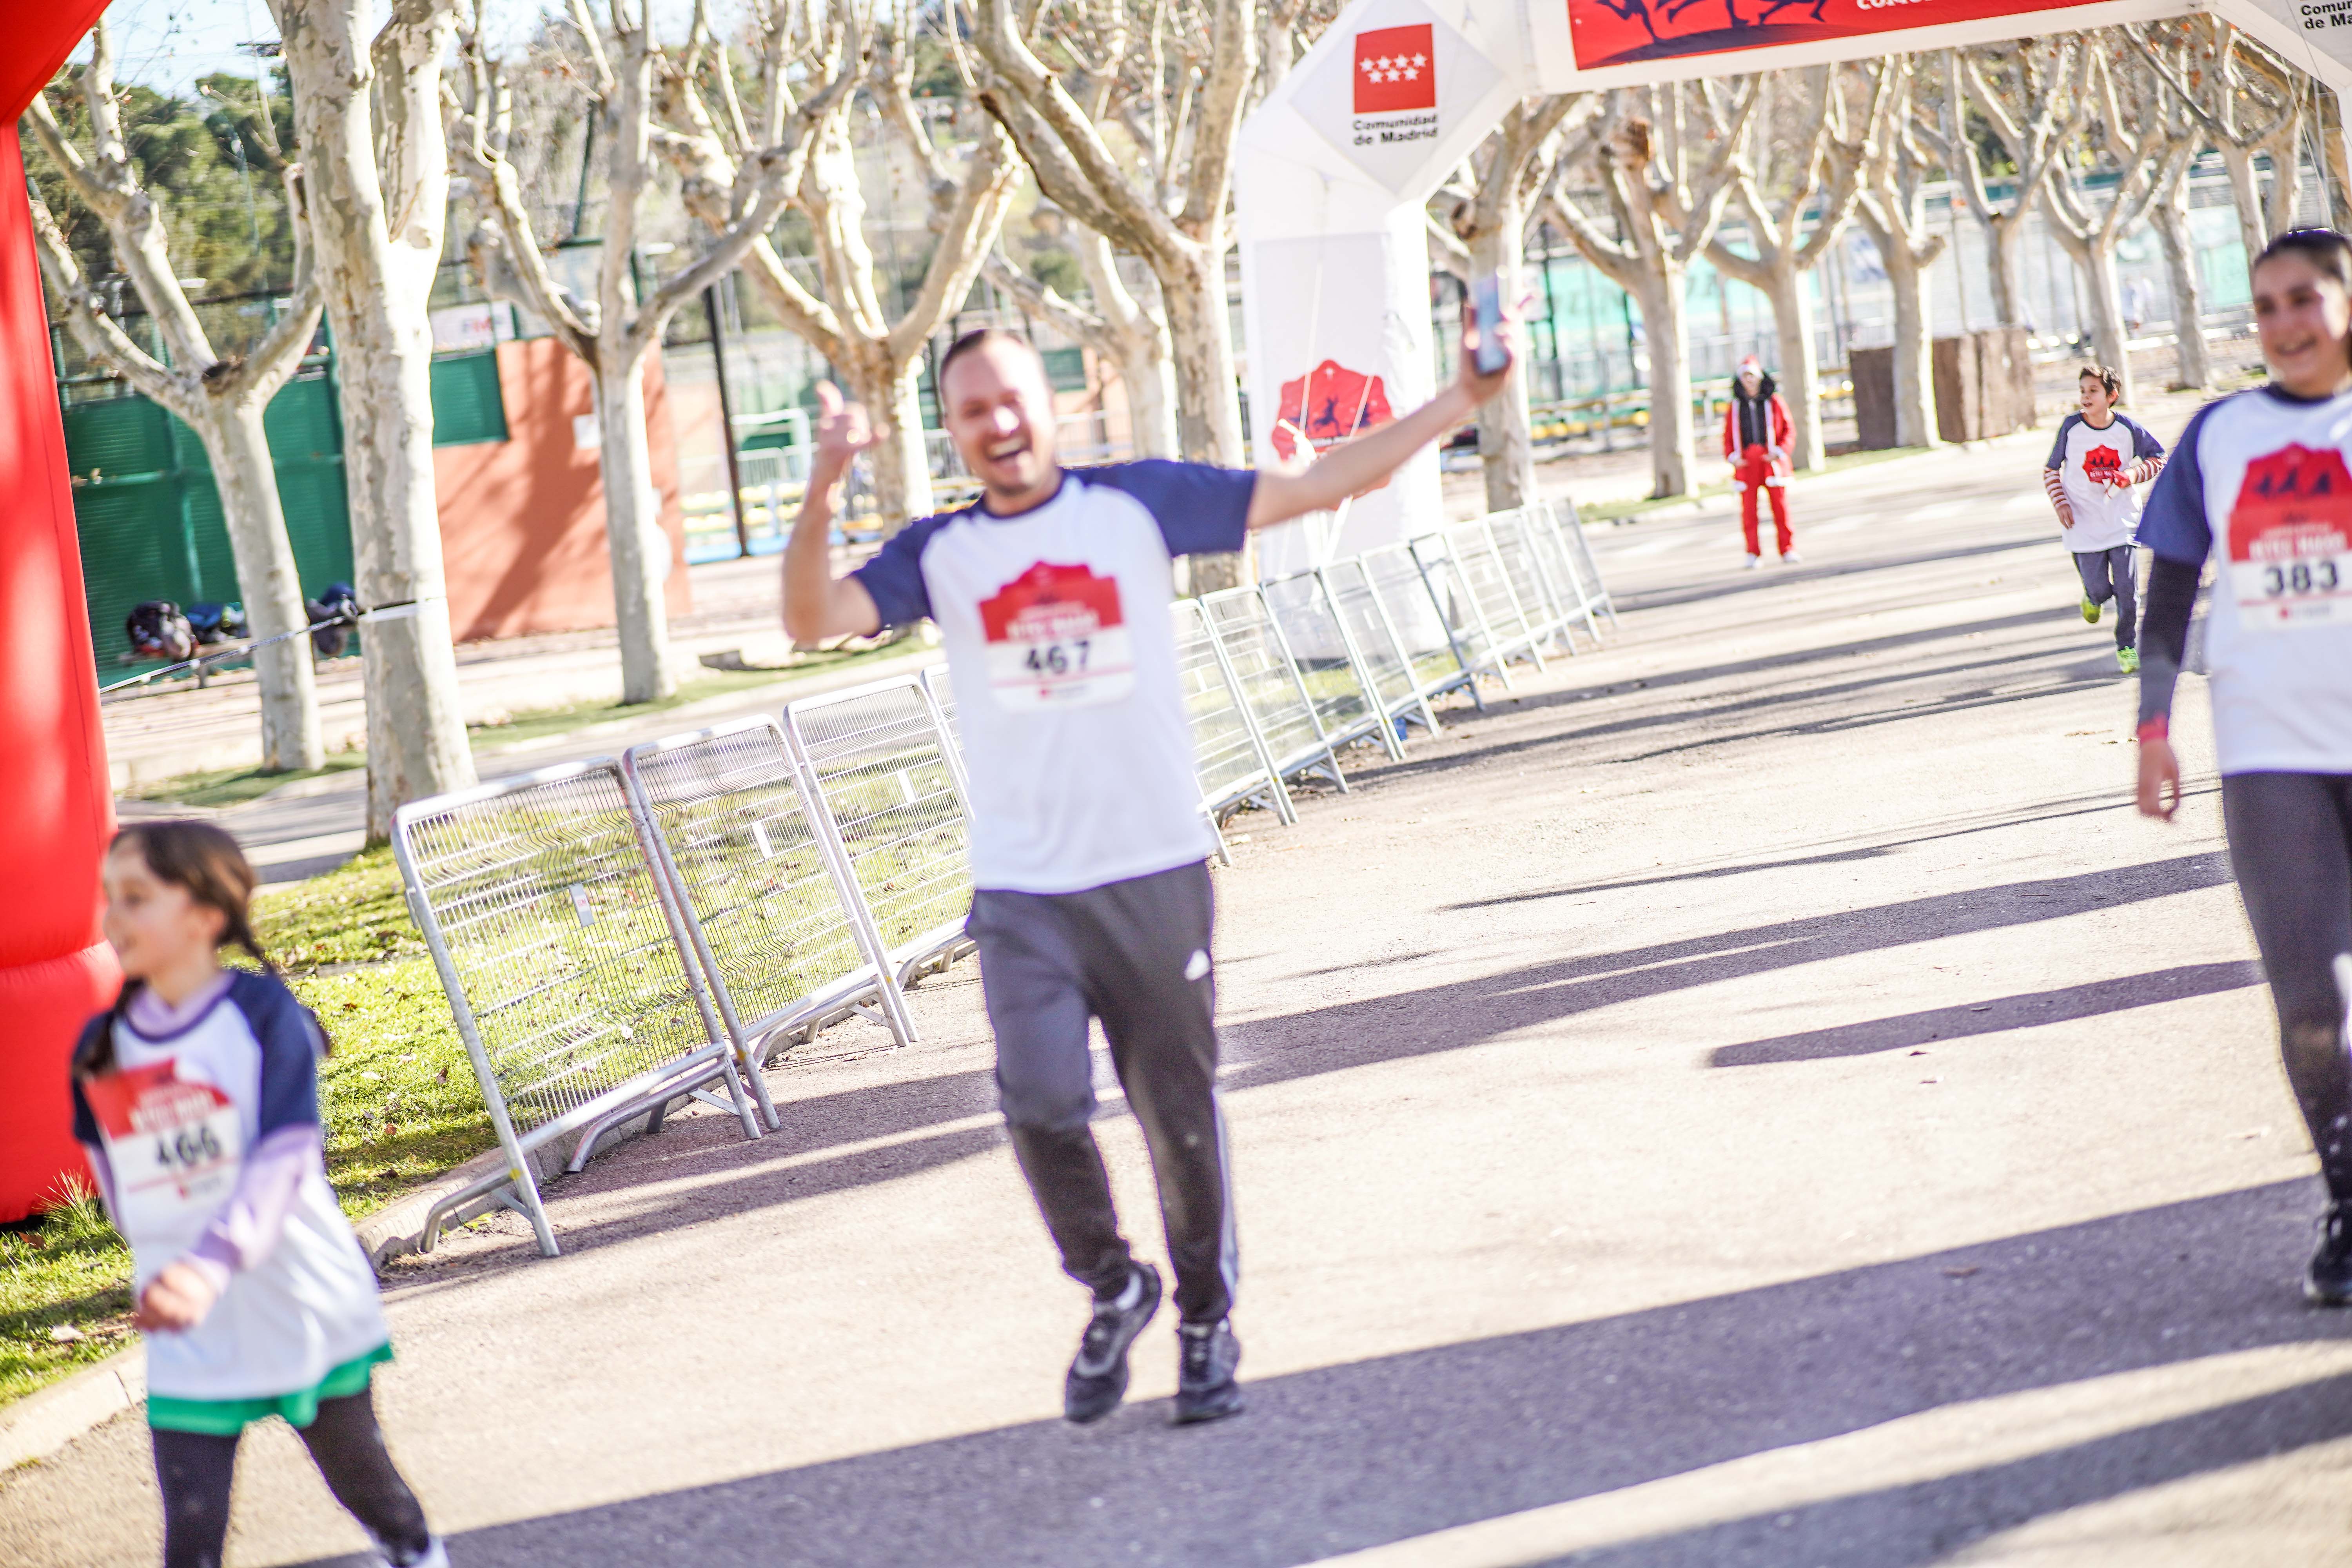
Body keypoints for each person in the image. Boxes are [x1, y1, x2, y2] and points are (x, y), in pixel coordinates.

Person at [781, 323, 1515, 1426]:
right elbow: (807, 620)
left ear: (1049, 405)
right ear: (955, 430)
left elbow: (1318, 488)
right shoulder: (939, 554)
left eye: (1015, 399)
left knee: (1177, 1118)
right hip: (1026, 892)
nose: (1000, 424)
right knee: (1037, 1104)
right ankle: (1115, 1282)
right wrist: (826, 484)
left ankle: (1207, 1322)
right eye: (975, 410)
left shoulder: (1136, 506)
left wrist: (1462, 398)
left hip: (1154, 874)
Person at [70, 822, 442, 1568]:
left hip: (298, 1299)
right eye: (110, 898)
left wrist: (207, 1262)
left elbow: (283, 1163)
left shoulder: (262, 1016)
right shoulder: (101, 1045)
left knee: (367, 1487)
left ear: (206, 916)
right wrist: (170, 1269)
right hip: (192, 1329)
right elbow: (121, 1190)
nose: (115, 918)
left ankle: (418, 1554)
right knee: (192, 1534)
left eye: (137, 898)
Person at [2135, 228, 2352, 1305]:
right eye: (2265, 306)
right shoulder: (2222, 434)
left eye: (2304, 298)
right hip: (2271, 750)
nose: (2284, 325)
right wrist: (2151, 724)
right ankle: (2349, 1203)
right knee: (2312, 1002)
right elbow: (2170, 590)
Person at [2042, 364, 2167, 673]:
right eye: (2083, 391)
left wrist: (2131, 474)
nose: (2086, 396)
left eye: (2093, 391)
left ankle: (2126, 646)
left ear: (2112, 396)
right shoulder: (2071, 428)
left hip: (2120, 519)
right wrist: (2061, 504)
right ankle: (2092, 597)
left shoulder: (2127, 429)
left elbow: (2159, 458)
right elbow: (2050, 470)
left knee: (2128, 590)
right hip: (2082, 522)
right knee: (2099, 590)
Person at [1722, 356, 1798, 567]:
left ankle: (1787, 548)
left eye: (1753, 376)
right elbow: (1728, 437)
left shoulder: (1775, 402)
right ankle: (1753, 553)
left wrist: (1780, 452)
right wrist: (1734, 458)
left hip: (1771, 462)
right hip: (1748, 464)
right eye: (1745, 377)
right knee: (1749, 511)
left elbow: (1788, 430)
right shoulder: (1735, 406)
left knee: (1781, 508)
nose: (1750, 381)